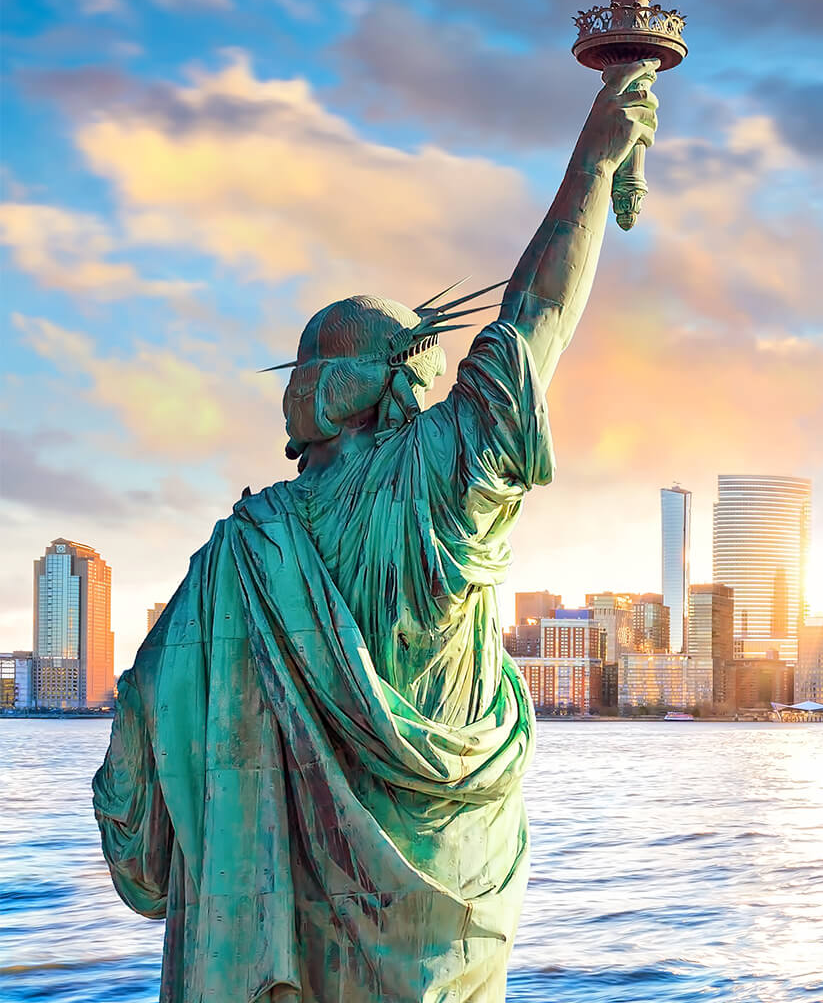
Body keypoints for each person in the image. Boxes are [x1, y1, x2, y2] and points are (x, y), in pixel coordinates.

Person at [92, 60, 662, 1002]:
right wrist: (595, 164)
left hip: (280, 949)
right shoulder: (434, 484)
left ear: (313, 394)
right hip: (447, 914)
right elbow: (534, 321)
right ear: (397, 386)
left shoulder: (237, 554)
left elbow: (134, 769)